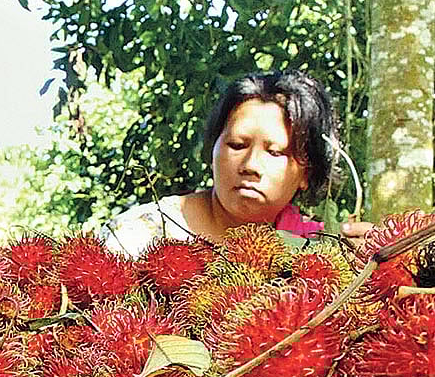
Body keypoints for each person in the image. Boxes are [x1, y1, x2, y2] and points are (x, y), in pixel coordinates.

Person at [101, 70, 371, 257]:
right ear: (213, 150)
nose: (250, 165)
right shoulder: (139, 235)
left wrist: (373, 265)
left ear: (306, 172)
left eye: (275, 152)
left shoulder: (318, 250)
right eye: (237, 145)